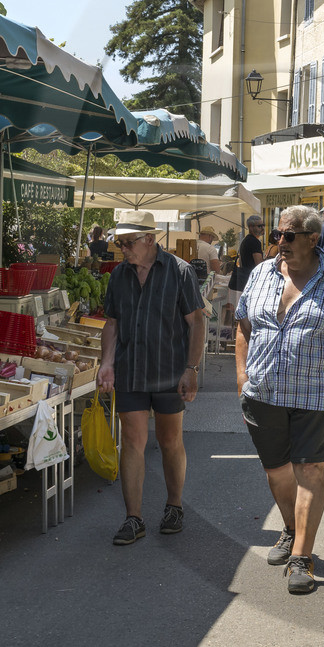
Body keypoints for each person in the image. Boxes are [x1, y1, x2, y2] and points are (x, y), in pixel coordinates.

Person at [235, 204, 324, 595]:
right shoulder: (261, 273)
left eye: (289, 236)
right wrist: (242, 375)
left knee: (309, 469)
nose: (280, 243)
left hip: (316, 394)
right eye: (277, 235)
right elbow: (244, 324)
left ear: (314, 239)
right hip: (263, 393)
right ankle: (292, 528)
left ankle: (302, 557)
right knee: (276, 470)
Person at [98, 211, 206, 546]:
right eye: (120, 242)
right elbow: (112, 324)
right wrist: (107, 363)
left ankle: (174, 506)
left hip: (169, 371)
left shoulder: (179, 271)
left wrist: (192, 368)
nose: (123, 248)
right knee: (132, 441)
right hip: (131, 371)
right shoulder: (119, 276)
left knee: (170, 440)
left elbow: (196, 322)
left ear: (150, 239)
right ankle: (133, 518)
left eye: (128, 242)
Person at [230, 215, 264, 293]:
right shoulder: (254, 242)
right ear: (251, 227)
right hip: (251, 281)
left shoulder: (245, 240)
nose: (262, 228)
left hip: (244, 281)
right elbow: (259, 265)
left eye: (263, 225)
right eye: (259, 226)